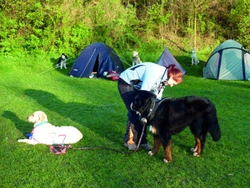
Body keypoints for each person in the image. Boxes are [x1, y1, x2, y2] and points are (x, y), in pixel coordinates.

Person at [118, 62, 183, 151]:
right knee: (135, 111)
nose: (171, 86)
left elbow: (157, 98)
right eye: (173, 83)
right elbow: (144, 92)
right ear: (171, 76)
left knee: (146, 113)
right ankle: (130, 141)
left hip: (138, 87)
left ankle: (142, 141)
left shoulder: (164, 79)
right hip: (126, 82)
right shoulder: (155, 72)